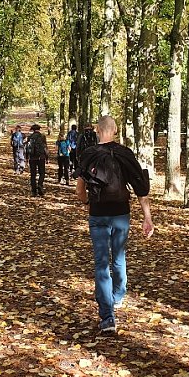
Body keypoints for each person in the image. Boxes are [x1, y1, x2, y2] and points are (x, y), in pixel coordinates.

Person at [76, 115, 154, 334]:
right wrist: (147, 218)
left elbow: (79, 190)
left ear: (97, 130)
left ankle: (107, 316)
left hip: (98, 214)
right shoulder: (124, 154)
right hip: (121, 214)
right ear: (116, 130)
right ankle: (118, 295)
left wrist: (87, 202)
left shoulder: (89, 154)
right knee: (119, 257)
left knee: (101, 263)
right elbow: (141, 189)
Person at [26, 124, 48, 196]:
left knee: (33, 174)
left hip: (32, 158)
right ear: (39, 129)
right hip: (41, 157)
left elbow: (27, 148)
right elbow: (45, 147)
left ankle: (34, 191)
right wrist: (47, 157)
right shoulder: (42, 136)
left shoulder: (30, 137)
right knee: (42, 173)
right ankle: (40, 184)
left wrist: (27, 157)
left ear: (33, 129)